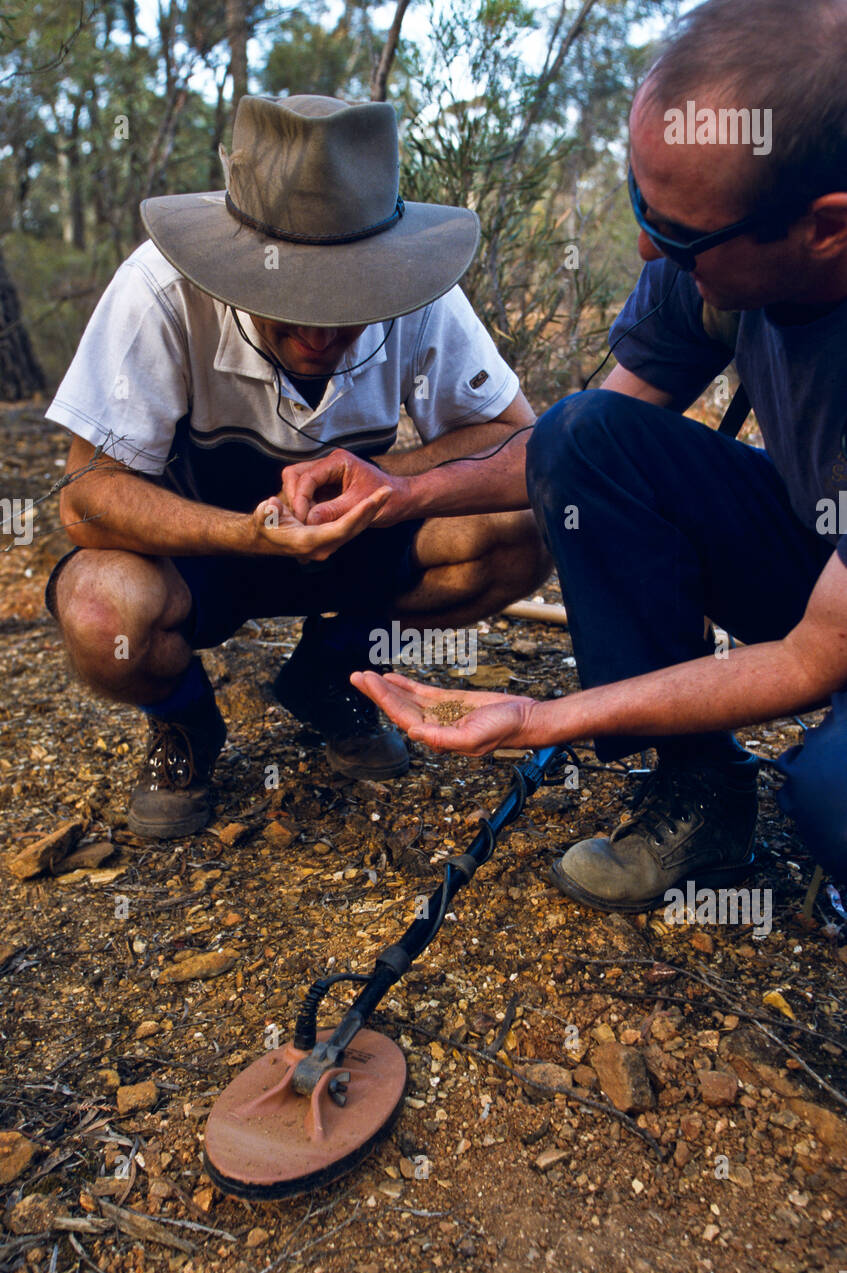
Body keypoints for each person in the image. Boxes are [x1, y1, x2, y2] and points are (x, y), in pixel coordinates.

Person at [353, 0, 847, 906]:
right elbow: (568, 450)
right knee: (586, 431)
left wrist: (542, 717)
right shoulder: (707, 263)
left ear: (825, 228)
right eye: (637, 198)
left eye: (681, 236)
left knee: (833, 800)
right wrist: (393, 495)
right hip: (823, 557)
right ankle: (698, 791)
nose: (646, 245)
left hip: (835, 621)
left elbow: (819, 656)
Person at [44, 93, 549, 839]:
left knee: (523, 524)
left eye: (349, 296)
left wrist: (395, 482)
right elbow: (83, 500)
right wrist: (244, 533)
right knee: (99, 611)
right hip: (196, 557)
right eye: (291, 296)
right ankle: (183, 722)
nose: (321, 331)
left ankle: (332, 670)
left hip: (355, 540)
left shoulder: (418, 288)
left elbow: (521, 441)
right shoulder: (159, 285)